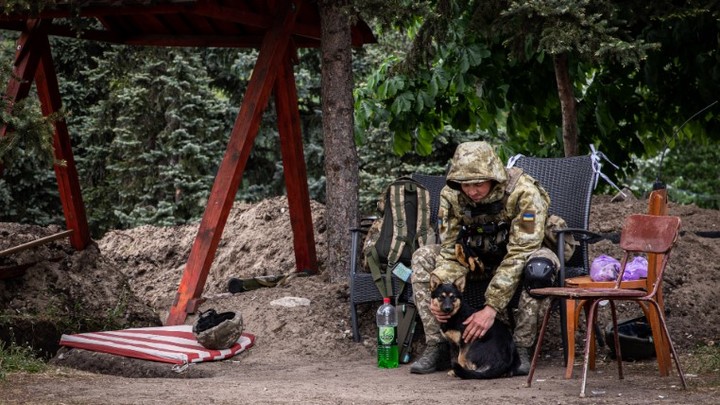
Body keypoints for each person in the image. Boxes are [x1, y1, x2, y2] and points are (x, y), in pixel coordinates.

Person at [409, 141, 565, 376]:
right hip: (476, 259)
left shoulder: (524, 192)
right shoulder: (451, 195)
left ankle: (521, 348)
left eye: (478, 183)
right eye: (465, 184)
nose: (472, 191)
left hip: (523, 255)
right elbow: (450, 249)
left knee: (539, 269)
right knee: (423, 256)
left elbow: (521, 252)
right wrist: (437, 290)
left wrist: (491, 307)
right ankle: (438, 345)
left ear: (494, 177)